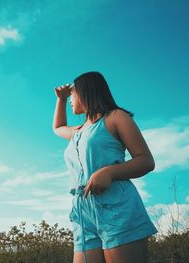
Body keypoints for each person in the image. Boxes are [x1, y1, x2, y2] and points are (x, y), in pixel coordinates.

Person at [52, 71, 158, 263]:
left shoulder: (116, 117)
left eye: (72, 93)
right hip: (83, 213)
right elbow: (58, 127)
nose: (70, 99)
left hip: (116, 206)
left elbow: (146, 161)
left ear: (86, 91)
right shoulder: (78, 131)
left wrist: (109, 171)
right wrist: (61, 99)